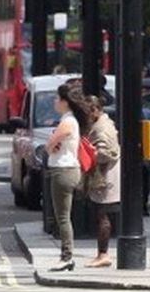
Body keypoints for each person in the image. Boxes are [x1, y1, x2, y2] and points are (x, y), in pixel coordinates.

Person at [45, 83, 88, 272]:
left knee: (62, 217)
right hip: (66, 170)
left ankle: (67, 256)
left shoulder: (67, 121)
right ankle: (66, 256)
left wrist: (51, 143)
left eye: (57, 98)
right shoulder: (70, 120)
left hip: (63, 170)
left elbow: (49, 144)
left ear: (65, 102)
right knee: (63, 216)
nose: (55, 101)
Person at [83, 95, 120, 268]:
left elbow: (104, 154)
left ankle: (103, 255)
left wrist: (89, 153)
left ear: (95, 110)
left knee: (103, 215)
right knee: (102, 215)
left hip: (105, 176)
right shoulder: (105, 123)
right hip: (107, 174)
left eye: (87, 112)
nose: (86, 116)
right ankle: (102, 254)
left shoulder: (101, 128)